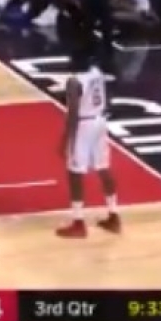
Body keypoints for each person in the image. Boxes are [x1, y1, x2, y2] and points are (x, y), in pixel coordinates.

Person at [57, 49, 121, 238]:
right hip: (100, 120)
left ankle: (78, 223)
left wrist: (65, 140)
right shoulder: (97, 72)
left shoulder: (74, 81)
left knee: (75, 172)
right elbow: (107, 97)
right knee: (103, 167)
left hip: (84, 124)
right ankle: (114, 215)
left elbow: (73, 114)